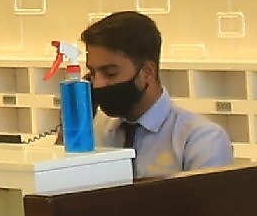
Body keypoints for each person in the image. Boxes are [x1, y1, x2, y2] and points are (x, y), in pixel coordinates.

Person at [74, 10, 233, 178]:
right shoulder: (95, 129)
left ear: (148, 71)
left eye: (110, 73)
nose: (97, 84)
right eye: (93, 73)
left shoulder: (201, 139)